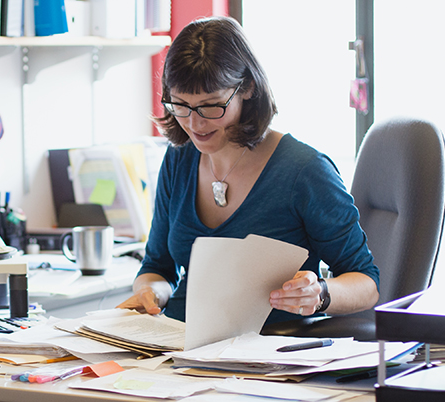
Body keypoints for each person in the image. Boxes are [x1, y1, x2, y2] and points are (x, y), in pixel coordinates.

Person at [115, 16, 380, 327]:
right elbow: (158, 266)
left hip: (268, 355)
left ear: (248, 88)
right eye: (181, 105)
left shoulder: (304, 171)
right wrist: (151, 293)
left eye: (211, 106)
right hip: (179, 347)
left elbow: (367, 283)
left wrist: (320, 293)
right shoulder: (178, 161)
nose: (195, 124)